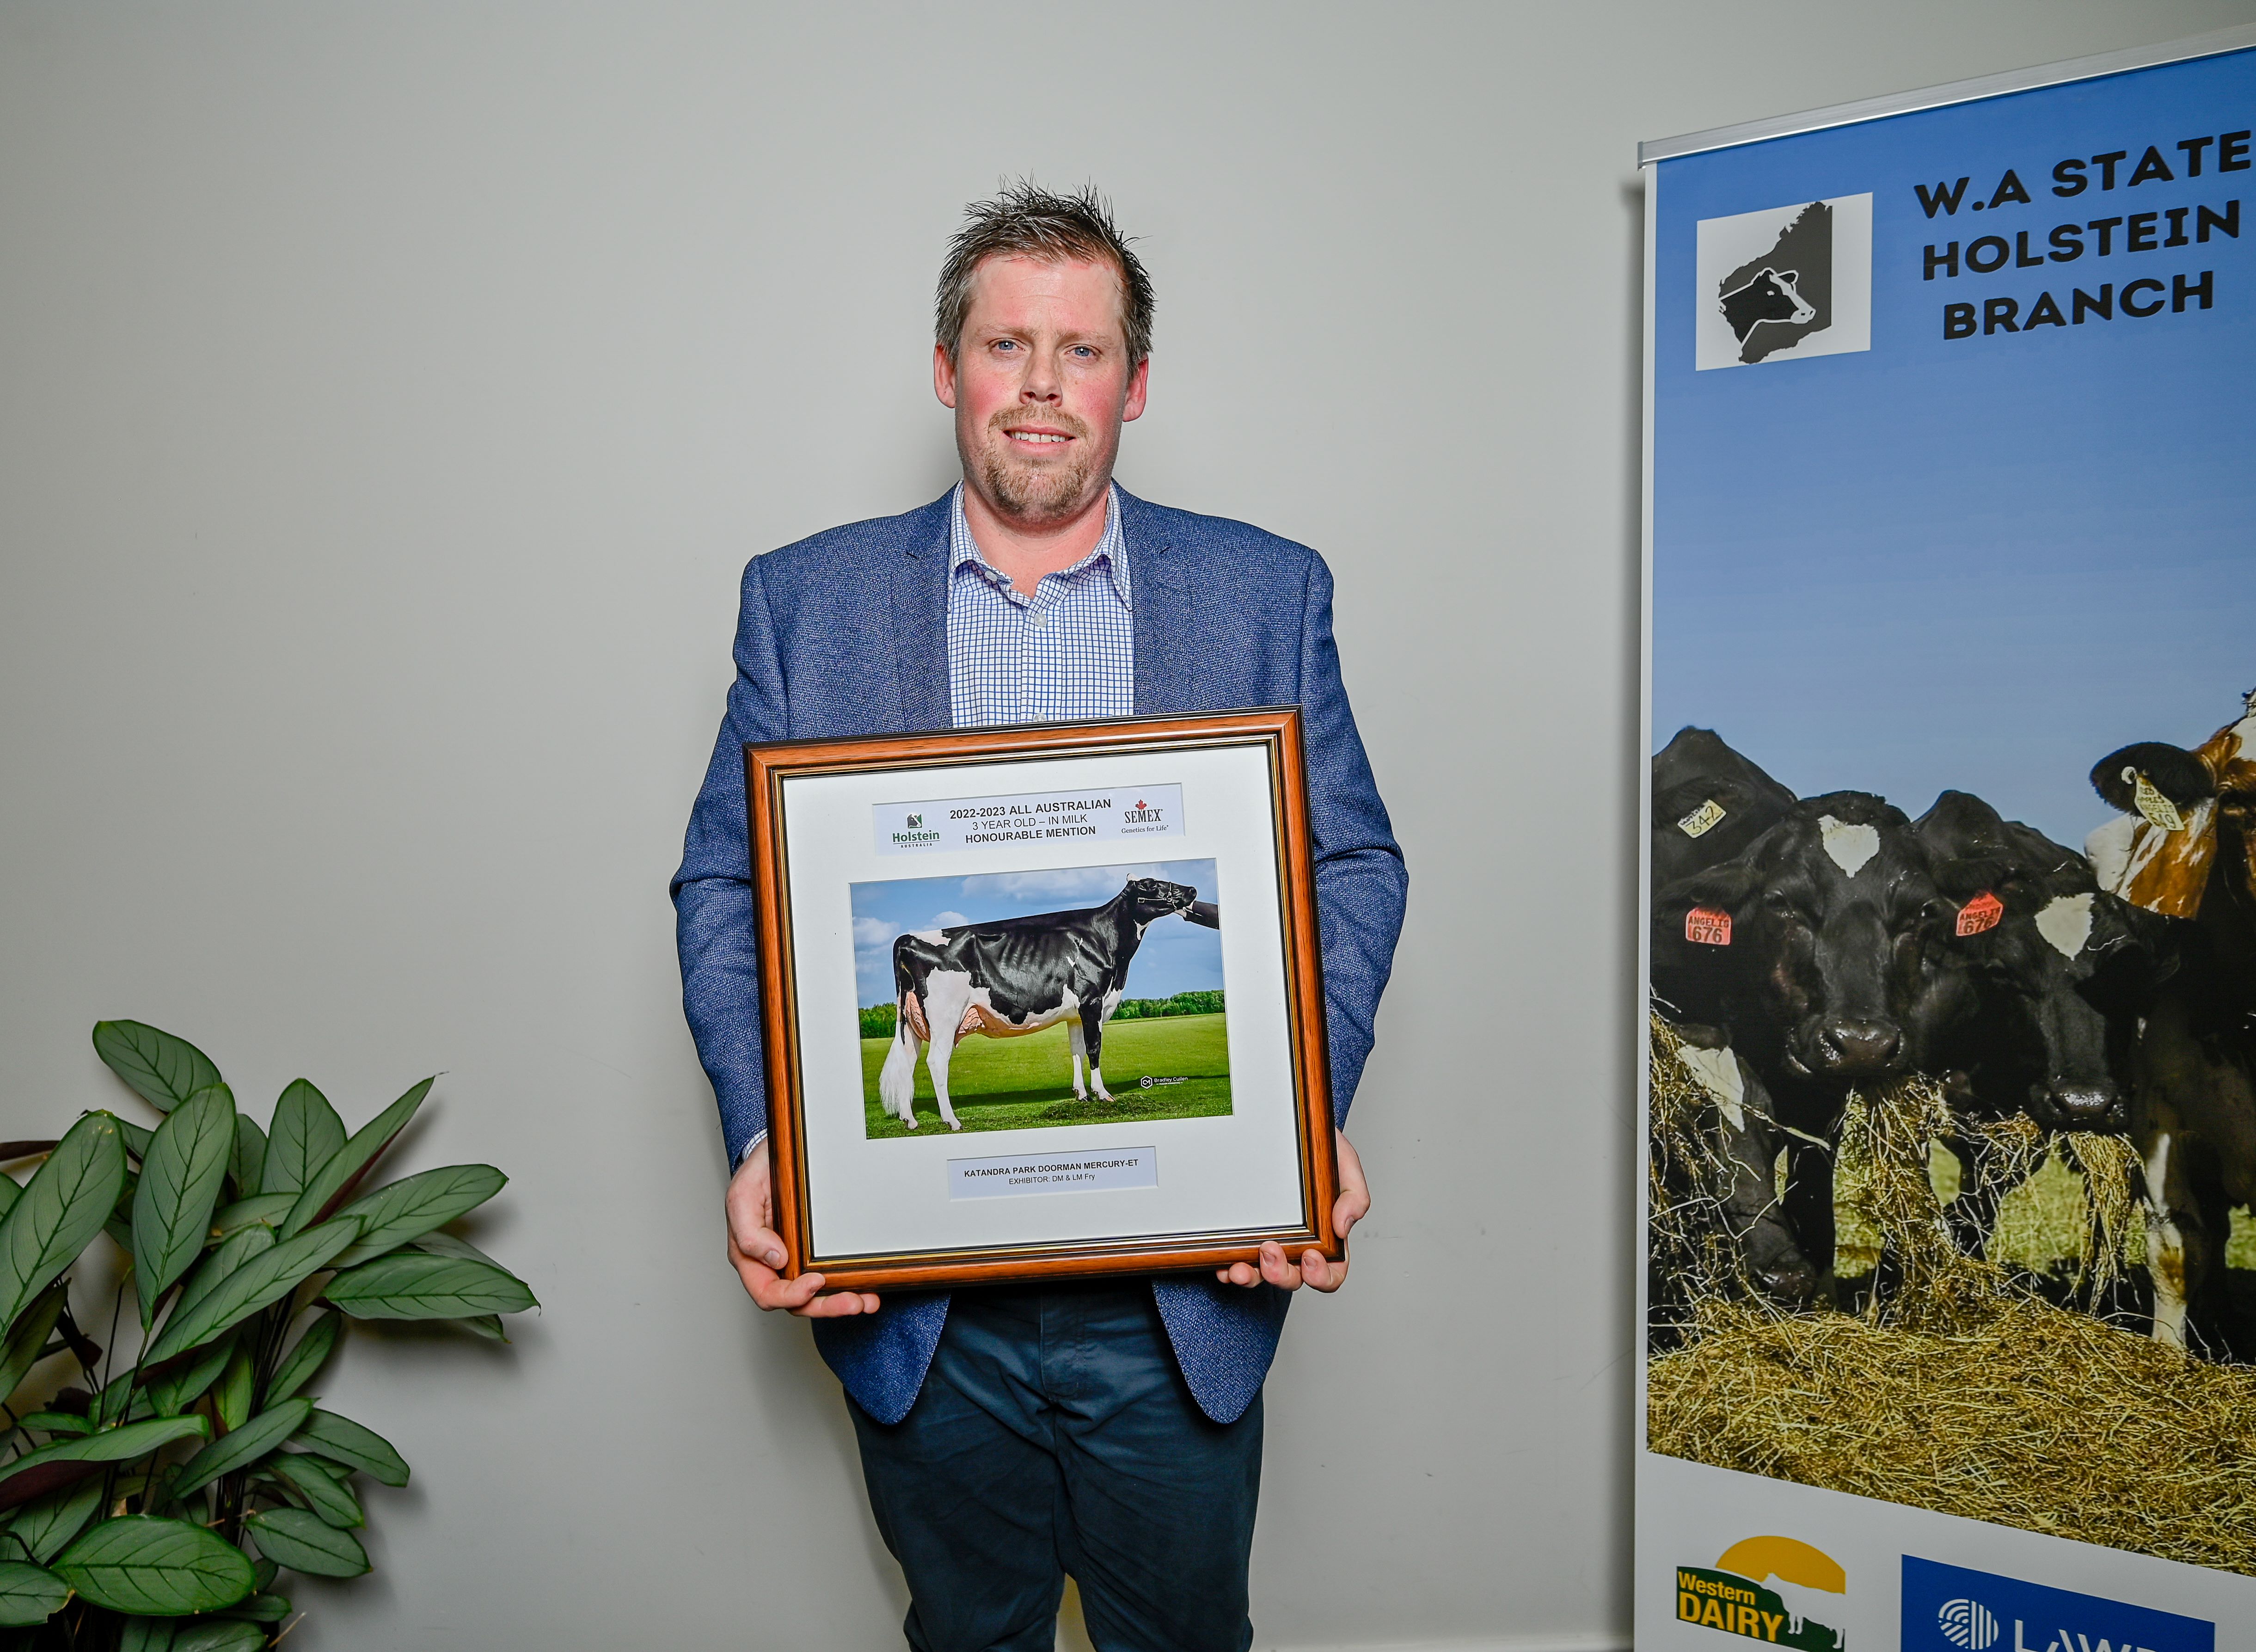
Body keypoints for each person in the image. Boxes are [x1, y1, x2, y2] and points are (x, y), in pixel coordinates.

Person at [672, 182, 1407, 1652]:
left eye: (1082, 352)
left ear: (1136, 382)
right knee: (969, 1636)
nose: (1041, 389)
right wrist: (773, 1136)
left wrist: (1294, 1108)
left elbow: (1352, 870)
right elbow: (727, 885)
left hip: (1179, 1293)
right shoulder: (803, 604)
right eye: (1007, 346)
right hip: (916, 1304)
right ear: (948, 371)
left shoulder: (1266, 592)